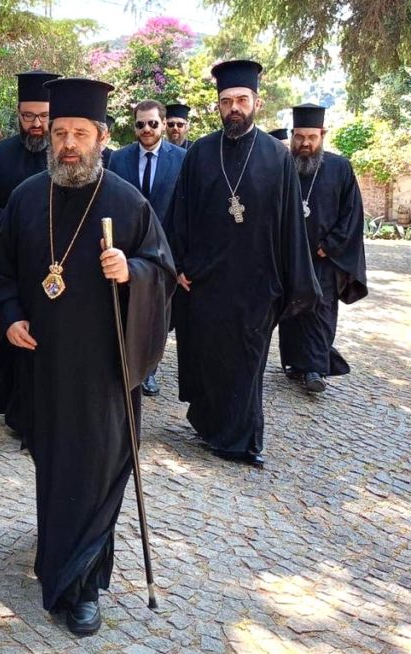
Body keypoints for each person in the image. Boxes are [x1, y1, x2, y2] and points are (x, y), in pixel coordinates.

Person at [0, 77, 175, 636]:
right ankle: (59, 552)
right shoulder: (28, 198)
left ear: (102, 137)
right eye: (60, 132)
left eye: (80, 133)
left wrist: (132, 272)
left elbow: (162, 272)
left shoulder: (128, 203)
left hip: (105, 371)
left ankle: (81, 588)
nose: (68, 144)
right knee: (57, 469)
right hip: (45, 367)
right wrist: (9, 316)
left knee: (96, 469)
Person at [165, 60, 320, 468]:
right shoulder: (199, 151)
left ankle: (244, 441)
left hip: (258, 284)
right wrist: (178, 264)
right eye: (226, 101)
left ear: (256, 102)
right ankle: (211, 426)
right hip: (206, 281)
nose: (234, 107)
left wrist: (291, 282)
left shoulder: (276, 156)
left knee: (247, 362)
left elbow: (290, 225)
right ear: (218, 105)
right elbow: (179, 213)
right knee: (209, 357)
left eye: (241, 100)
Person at [0, 70, 59, 437]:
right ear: (17, 115)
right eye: (28, 116)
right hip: (14, 264)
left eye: (43, 116)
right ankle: (16, 407)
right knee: (16, 335)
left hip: (57, 264)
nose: (36, 124)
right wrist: (10, 219)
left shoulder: (66, 155)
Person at [278, 103, 368, 393]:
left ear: (322, 135)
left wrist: (330, 246)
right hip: (290, 256)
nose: (305, 143)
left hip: (322, 257)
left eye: (311, 137)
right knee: (291, 308)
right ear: (293, 135)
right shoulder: (283, 167)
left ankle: (315, 368)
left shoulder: (340, 168)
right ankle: (294, 363)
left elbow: (352, 213)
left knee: (320, 309)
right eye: (300, 137)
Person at [108, 99, 186, 396]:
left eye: (153, 123)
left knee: (158, 314)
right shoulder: (119, 159)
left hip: (165, 252)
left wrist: (181, 259)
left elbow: (185, 210)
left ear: (163, 124)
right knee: (129, 308)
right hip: (128, 250)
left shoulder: (181, 158)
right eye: (140, 124)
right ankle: (126, 364)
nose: (147, 129)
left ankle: (149, 370)